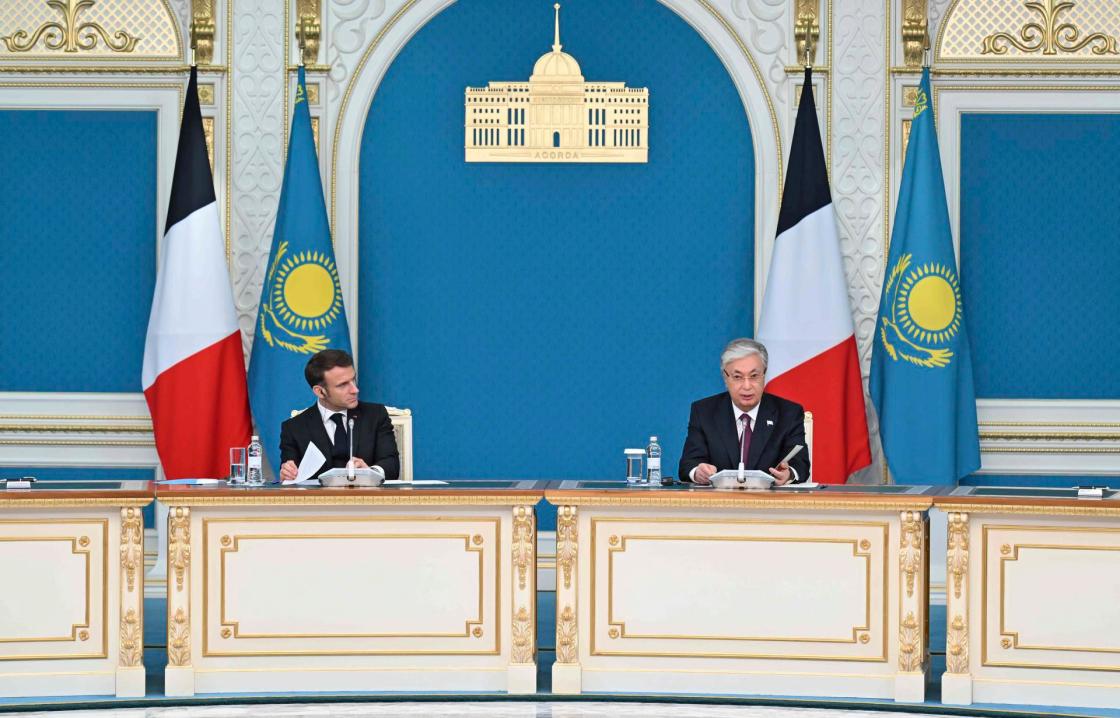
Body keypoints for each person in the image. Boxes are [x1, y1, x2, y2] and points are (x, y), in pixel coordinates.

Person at [680, 338, 810, 485]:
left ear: (764, 374)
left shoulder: (788, 413)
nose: (747, 386)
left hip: (770, 498)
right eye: (737, 377)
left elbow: (800, 464)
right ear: (725, 377)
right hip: (720, 498)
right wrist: (698, 472)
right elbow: (688, 464)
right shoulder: (704, 412)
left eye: (754, 376)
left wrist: (789, 473)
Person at [278, 349, 400, 483]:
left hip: (367, 494)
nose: (355, 390)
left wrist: (370, 472)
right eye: (343, 385)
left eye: (353, 379)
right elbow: (290, 473)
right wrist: (288, 473)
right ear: (320, 391)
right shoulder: (294, 428)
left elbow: (392, 464)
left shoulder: (376, 415)